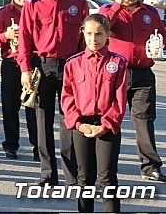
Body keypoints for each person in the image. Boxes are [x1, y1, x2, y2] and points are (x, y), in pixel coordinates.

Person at [18, 0, 89, 186]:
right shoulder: (34, 2)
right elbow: (25, 39)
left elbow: (84, 40)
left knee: (70, 121)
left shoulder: (78, 3)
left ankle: (73, 176)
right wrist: (25, 70)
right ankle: (47, 174)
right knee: (43, 121)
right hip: (43, 66)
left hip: (71, 67)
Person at [99, 0, 166, 182]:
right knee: (109, 119)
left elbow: (161, 36)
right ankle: (104, 166)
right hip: (114, 72)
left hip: (143, 73)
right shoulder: (109, 11)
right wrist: (118, 4)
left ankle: (150, 166)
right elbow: (102, 27)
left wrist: (160, 47)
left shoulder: (149, 12)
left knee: (144, 119)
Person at [61, 14, 127, 212]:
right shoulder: (73, 63)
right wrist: (79, 124)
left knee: (107, 177)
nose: (93, 39)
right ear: (83, 33)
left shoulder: (118, 62)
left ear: (108, 35)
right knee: (84, 177)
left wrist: (105, 125)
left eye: (99, 34)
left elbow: (119, 99)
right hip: (82, 125)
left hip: (107, 127)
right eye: (89, 34)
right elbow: (67, 97)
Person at [0, 0, 39, 161]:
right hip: (11, 64)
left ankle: (38, 148)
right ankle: (11, 145)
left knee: (35, 109)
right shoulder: (3, 14)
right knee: (10, 107)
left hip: (34, 64)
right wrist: (5, 35)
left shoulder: (38, 10)